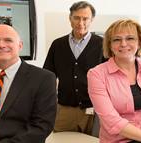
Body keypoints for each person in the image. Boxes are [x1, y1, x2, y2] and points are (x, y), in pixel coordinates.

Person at [43, 1, 104, 135]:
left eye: (85, 18)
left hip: (94, 110)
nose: (80, 23)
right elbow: (48, 76)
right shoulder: (57, 45)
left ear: (92, 20)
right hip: (65, 110)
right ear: (70, 18)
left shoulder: (103, 45)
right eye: (76, 18)